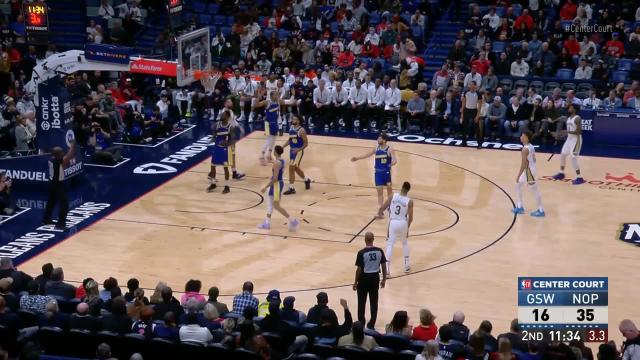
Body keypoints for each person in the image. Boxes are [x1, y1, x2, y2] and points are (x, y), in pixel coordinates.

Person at [351, 132, 396, 212]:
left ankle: (390, 206)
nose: (377, 140)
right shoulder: (376, 148)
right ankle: (380, 210)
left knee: (389, 192)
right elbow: (367, 155)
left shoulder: (390, 149)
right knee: (380, 192)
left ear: (384, 140)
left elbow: (395, 160)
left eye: (379, 138)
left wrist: (391, 164)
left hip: (386, 173)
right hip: (378, 173)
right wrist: (357, 158)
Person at [258, 145, 300, 231]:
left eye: (274, 151)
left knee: (276, 206)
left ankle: (292, 220)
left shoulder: (277, 163)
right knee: (270, 204)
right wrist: (271, 160)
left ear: (275, 152)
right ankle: (267, 223)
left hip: (276, 185)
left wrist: (265, 187)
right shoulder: (281, 160)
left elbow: (275, 178)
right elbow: (276, 163)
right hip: (277, 184)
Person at [377, 181, 413, 276]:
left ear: (401, 187)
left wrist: (379, 212)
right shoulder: (409, 201)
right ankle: (406, 266)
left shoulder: (393, 196)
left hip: (393, 222)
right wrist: (407, 229)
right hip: (403, 222)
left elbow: (383, 207)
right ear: (408, 190)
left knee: (390, 245)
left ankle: (387, 271)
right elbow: (411, 218)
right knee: (404, 243)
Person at [353, 231, 387, 329]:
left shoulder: (361, 252)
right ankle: (371, 323)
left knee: (361, 302)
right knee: (374, 302)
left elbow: (359, 269)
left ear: (365, 240)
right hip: (375, 278)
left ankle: (361, 322)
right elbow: (384, 266)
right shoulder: (379, 251)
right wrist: (384, 279)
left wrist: (355, 282)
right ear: (373, 239)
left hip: (363, 279)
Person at [42, 141, 76, 230]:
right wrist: (72, 144)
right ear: (58, 154)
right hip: (57, 184)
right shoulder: (58, 160)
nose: (63, 153)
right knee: (64, 204)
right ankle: (60, 224)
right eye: (61, 152)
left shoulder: (51, 159)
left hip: (51, 183)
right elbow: (70, 155)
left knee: (51, 202)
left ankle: (46, 219)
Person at [512, 131, 545, 217]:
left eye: (523, 135)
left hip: (529, 171)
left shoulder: (525, 149)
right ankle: (520, 207)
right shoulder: (530, 146)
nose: (521, 136)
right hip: (530, 169)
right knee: (518, 185)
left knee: (534, 189)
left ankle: (541, 210)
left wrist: (518, 175)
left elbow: (524, 164)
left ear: (527, 138)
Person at [552, 104, 585, 185]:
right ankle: (561, 173)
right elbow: (568, 132)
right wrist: (560, 134)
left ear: (575, 109)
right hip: (569, 139)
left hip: (576, 140)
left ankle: (579, 177)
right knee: (563, 154)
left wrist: (567, 132)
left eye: (571, 107)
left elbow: (579, 132)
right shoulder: (569, 118)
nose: (569, 108)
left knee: (573, 157)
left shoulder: (577, 118)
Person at [282, 115, 312, 195]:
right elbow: (290, 139)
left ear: (298, 121)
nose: (293, 120)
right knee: (295, 168)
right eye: (293, 118)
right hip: (292, 151)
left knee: (291, 168)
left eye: (295, 119)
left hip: (298, 152)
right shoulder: (291, 127)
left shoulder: (301, 130)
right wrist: (283, 146)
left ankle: (291, 188)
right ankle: (306, 180)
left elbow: (306, 143)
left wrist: (298, 149)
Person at [207, 110, 233, 194]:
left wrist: (227, 142)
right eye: (221, 114)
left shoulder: (230, 126)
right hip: (217, 147)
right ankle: (213, 183)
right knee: (212, 166)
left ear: (228, 117)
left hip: (225, 149)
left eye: (224, 115)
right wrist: (212, 139)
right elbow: (214, 135)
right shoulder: (216, 125)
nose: (222, 116)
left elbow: (233, 139)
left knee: (225, 168)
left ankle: (227, 186)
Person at [258, 91, 280, 165]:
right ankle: (262, 155)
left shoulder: (278, 102)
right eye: (275, 95)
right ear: (271, 96)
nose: (277, 96)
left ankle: (269, 155)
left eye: (277, 94)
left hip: (275, 123)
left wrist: (293, 95)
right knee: (269, 139)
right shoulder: (267, 102)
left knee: (273, 138)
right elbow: (256, 104)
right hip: (268, 123)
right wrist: (259, 96)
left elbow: (290, 101)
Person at [460, 81, 483, 149]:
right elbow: (463, 103)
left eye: (472, 84)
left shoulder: (478, 94)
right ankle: (464, 142)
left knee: (476, 127)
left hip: (474, 111)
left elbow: (480, 105)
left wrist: (477, 115)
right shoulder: (466, 92)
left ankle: (479, 143)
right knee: (464, 126)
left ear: (475, 86)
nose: (471, 86)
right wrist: (462, 113)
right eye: (470, 84)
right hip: (466, 110)